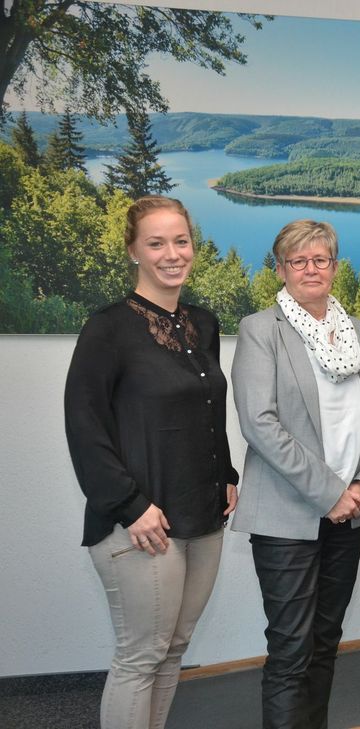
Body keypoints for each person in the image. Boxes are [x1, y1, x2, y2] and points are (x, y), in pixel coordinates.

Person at [63, 195, 239, 729]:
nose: (172, 253)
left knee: (173, 648)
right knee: (141, 656)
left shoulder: (202, 324)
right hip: (141, 525)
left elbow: (208, 409)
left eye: (180, 241)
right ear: (133, 251)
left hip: (202, 515)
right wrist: (130, 506)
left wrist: (226, 474)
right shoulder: (107, 328)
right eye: (156, 243)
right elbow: (84, 427)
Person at [231, 220, 360, 729]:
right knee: (291, 652)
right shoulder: (261, 330)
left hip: (350, 515)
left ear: (335, 268)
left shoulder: (356, 330)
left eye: (320, 259)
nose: (310, 269)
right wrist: (330, 493)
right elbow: (260, 423)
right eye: (298, 261)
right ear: (281, 270)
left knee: (325, 644)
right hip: (286, 517)